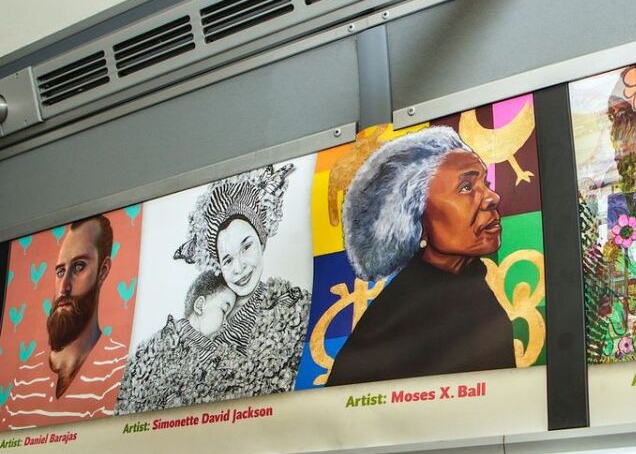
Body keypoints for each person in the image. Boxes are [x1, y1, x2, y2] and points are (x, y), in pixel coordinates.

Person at [325, 126, 516, 386]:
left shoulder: (468, 288)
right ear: (416, 218)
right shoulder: (401, 318)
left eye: (486, 183)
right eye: (466, 187)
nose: (492, 198)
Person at [116, 163, 311, 413]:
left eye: (247, 247)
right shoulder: (185, 325)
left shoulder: (292, 308)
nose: (239, 267)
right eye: (227, 259)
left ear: (262, 241)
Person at [1, 216, 125, 430]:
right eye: (60, 271)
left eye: (78, 267)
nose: (64, 287)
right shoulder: (25, 377)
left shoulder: (121, 368)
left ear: (103, 271)